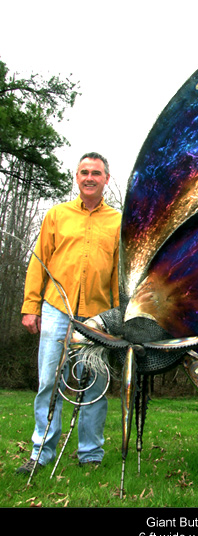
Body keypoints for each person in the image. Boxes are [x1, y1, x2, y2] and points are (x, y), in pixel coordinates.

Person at [17, 152, 121, 474]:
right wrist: (31, 306)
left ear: (106, 179)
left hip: (100, 316)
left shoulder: (118, 221)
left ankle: (90, 454)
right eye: (84, 172)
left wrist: (122, 319)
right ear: (76, 177)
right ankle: (42, 452)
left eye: (96, 173)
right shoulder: (56, 215)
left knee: (96, 385)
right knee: (49, 381)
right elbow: (39, 262)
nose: (89, 177)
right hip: (56, 310)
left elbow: (119, 271)